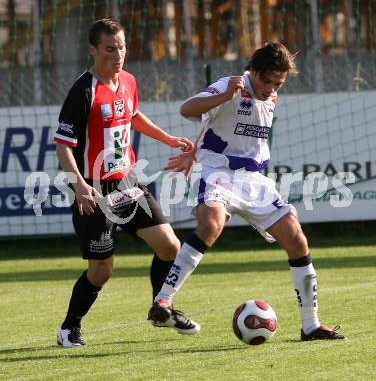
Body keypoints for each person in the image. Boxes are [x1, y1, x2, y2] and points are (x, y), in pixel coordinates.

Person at [148, 42, 346, 341]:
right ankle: (163, 299)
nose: (271, 88)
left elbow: (225, 130)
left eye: (278, 83)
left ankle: (310, 325)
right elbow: (187, 109)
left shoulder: (271, 94)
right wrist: (226, 95)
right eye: (267, 81)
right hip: (217, 171)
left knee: (296, 238)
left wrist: (196, 149)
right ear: (253, 70)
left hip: (253, 179)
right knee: (211, 225)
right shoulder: (230, 85)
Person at [54, 18, 200, 347]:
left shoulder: (128, 81)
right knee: (101, 271)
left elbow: (132, 114)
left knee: (170, 246)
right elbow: (63, 144)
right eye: (110, 48)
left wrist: (166, 138)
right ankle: (69, 327)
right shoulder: (83, 90)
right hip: (93, 188)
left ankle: (162, 307)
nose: (118, 54)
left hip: (127, 182)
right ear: (92, 49)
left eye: (122, 47)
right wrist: (78, 184)